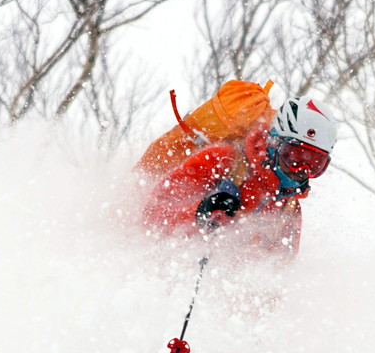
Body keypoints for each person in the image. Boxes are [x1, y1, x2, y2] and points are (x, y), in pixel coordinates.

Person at [141, 95, 337, 261]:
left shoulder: (289, 210)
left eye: (315, 164)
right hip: (170, 275)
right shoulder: (222, 161)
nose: (302, 170)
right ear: (274, 142)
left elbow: (279, 275)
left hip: (226, 300)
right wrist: (199, 211)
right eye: (294, 156)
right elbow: (149, 217)